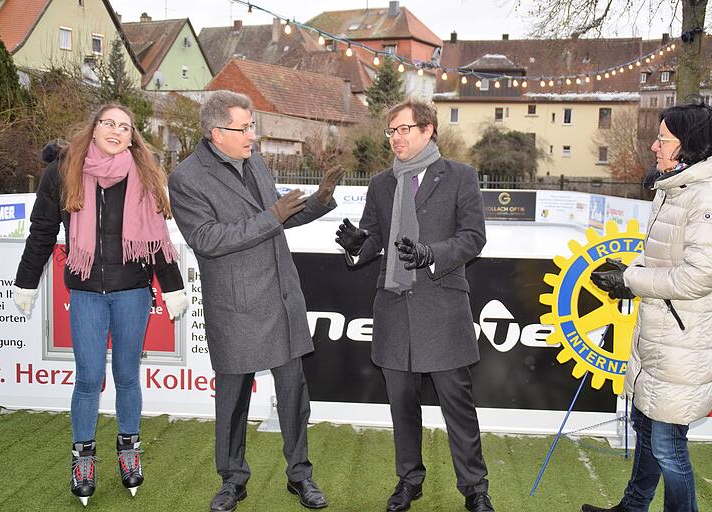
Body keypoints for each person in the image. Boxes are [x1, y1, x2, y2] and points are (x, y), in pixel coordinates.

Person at [168, 90, 344, 512]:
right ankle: (232, 480)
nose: (253, 135)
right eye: (244, 127)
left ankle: (300, 475)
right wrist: (274, 216)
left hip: (280, 297)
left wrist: (319, 200)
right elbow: (207, 240)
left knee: (294, 393)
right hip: (235, 304)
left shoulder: (256, 162)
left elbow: (281, 215)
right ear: (216, 133)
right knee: (232, 398)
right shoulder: (186, 178)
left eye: (252, 126)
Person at [13, 104, 188, 507]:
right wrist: (26, 282)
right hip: (86, 292)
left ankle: (129, 449)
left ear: (132, 137)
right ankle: (83, 456)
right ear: (94, 129)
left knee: (127, 375)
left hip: (132, 291)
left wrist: (173, 288)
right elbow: (41, 232)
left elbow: (158, 238)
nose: (116, 131)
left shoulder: (142, 173)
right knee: (89, 378)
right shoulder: (62, 171)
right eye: (109, 123)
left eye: (125, 127)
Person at [586, 99, 712, 512]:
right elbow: (669, 261)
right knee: (645, 428)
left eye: (663, 140)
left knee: (667, 447)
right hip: (665, 336)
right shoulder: (679, 189)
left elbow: (697, 278)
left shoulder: (709, 200)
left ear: (690, 146)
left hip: (686, 345)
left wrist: (629, 280)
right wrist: (631, 271)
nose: (654, 147)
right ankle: (633, 506)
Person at [335, 99, 493, 512]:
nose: (396, 138)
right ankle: (409, 480)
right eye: (391, 131)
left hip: (442, 308)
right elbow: (373, 239)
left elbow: (473, 237)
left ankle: (475, 489)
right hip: (393, 310)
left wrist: (431, 254)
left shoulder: (460, 177)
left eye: (404, 129)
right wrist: (358, 246)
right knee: (402, 406)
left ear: (428, 130)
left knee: (458, 407)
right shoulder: (382, 184)